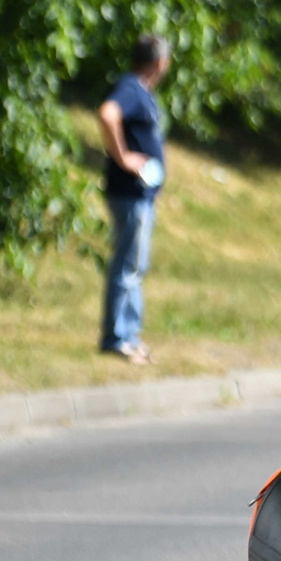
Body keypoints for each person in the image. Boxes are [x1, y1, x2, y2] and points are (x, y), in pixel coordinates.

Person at [97, 33, 172, 363]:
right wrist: (124, 156)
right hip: (130, 194)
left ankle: (129, 335)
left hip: (140, 196)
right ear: (160, 62)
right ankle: (118, 338)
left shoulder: (141, 92)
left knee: (134, 265)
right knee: (128, 266)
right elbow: (107, 114)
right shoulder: (131, 88)